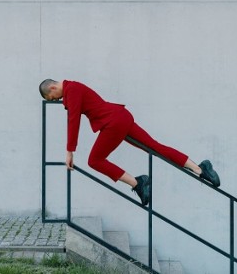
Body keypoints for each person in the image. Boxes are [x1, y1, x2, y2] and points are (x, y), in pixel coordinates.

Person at [39, 79, 220, 206]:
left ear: (53, 88)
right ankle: (200, 169)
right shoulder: (74, 88)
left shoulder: (72, 90)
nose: (58, 101)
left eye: (54, 98)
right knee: (155, 147)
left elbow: (73, 119)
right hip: (121, 117)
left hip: (113, 122)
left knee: (94, 161)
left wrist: (70, 151)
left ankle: (138, 183)